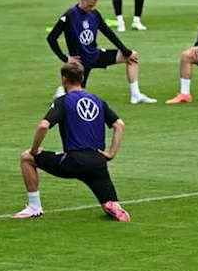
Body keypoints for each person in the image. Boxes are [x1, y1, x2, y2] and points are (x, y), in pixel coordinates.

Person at [11, 61, 131, 221]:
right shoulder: (98, 101)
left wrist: (35, 150)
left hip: (74, 161)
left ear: (64, 80)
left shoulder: (64, 101)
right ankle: (113, 207)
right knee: (109, 204)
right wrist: (111, 154)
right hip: (98, 162)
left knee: (27, 158)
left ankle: (34, 207)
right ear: (82, 78)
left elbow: (43, 126)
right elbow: (120, 125)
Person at [48, 0, 153, 104]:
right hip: (80, 62)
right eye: (89, 5)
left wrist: (125, 50)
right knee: (75, 96)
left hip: (95, 55)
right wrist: (65, 58)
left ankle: (136, 95)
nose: (92, 8)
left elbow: (108, 33)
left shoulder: (94, 14)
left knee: (132, 57)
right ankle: (62, 92)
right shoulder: (69, 15)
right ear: (81, 0)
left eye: (94, 5)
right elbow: (51, 38)